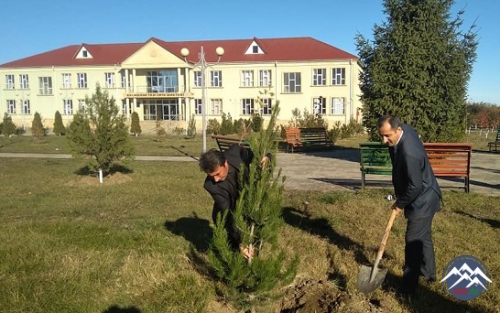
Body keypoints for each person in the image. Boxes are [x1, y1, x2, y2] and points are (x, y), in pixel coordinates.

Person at [377, 114, 442, 295]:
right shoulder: (402, 130)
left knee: (412, 241)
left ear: (398, 130)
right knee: (424, 237)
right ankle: (429, 274)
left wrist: (399, 204)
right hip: (424, 194)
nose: (384, 140)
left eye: (387, 136)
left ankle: (408, 288)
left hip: (423, 199)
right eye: (381, 135)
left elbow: (415, 186)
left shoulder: (409, 152)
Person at [199, 144, 271, 259]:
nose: (216, 179)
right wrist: (240, 241)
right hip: (226, 214)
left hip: (250, 203)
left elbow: (259, 156)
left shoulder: (236, 153)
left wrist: (267, 157)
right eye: (211, 176)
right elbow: (228, 213)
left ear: (225, 163)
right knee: (234, 249)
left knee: (255, 238)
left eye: (217, 174)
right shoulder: (211, 186)